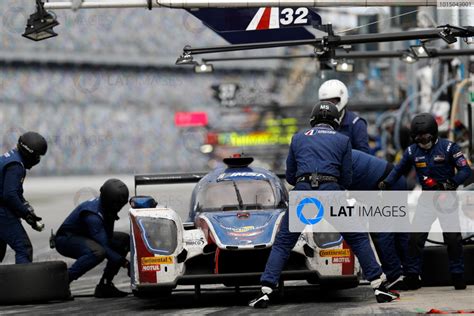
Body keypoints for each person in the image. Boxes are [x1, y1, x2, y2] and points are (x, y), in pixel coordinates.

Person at [249, 102, 399, 309]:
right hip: (331, 192)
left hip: (302, 194)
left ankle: (265, 291)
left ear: (312, 119)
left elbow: (291, 176)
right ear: (336, 122)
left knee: (284, 242)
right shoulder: (343, 140)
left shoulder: (298, 138)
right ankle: (379, 286)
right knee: (357, 238)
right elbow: (346, 178)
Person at [379, 113, 473, 290]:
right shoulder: (411, 151)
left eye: (426, 135)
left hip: (447, 199)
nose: (422, 139)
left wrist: (452, 182)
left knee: (453, 239)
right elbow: (398, 170)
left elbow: (465, 170)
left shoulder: (449, 147)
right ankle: (413, 276)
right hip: (426, 199)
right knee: (415, 238)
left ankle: (458, 275)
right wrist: (386, 183)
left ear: (434, 133)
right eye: (418, 136)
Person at [55, 179, 131, 298]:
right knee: (98, 252)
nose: (120, 207)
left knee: (123, 240)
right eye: (118, 204)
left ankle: (105, 285)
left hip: (88, 236)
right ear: (111, 202)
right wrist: (126, 263)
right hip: (66, 240)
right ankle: (61, 284)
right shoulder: (93, 216)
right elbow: (105, 247)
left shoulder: (107, 207)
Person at [351, 149, 409, 290]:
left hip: (386, 184)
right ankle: (409, 272)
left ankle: (396, 275)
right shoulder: (341, 151)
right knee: (398, 230)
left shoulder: (337, 160)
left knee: (382, 232)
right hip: (388, 182)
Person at [0, 132, 48, 264]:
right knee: (24, 248)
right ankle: (22, 284)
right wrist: (26, 213)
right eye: (37, 155)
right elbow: (9, 195)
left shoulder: (10, 158)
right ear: (29, 153)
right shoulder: (16, 166)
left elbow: (14, 193)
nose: (38, 159)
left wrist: (27, 209)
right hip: (2, 212)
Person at [319, 79, 370, 153]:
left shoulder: (356, 124)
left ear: (342, 98)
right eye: (325, 102)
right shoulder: (319, 123)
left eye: (333, 101)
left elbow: (364, 157)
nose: (328, 105)